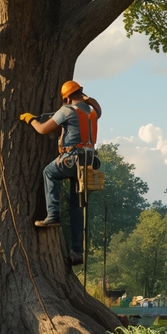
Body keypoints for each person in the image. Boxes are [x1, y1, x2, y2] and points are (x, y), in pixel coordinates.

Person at [21, 80, 101, 265]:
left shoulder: (66, 111)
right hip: (89, 161)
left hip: (72, 159)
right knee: (77, 206)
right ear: (81, 93)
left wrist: (31, 119)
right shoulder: (92, 112)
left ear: (66, 97)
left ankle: (53, 214)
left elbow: (42, 129)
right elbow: (98, 107)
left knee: (49, 172)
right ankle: (77, 252)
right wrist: (87, 99)